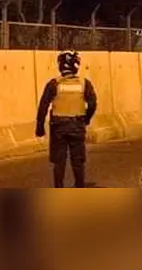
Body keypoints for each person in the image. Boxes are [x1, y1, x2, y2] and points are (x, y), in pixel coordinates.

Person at [35, 50, 98, 187]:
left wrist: (39, 127)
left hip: (58, 127)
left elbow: (43, 106)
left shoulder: (54, 84)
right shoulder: (84, 83)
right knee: (78, 161)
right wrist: (86, 118)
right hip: (77, 125)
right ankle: (79, 187)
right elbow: (93, 103)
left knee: (59, 162)